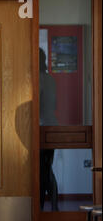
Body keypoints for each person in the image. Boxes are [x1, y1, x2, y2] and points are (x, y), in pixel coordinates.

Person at [39, 48, 59, 211]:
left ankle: (43, 210)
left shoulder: (37, 79)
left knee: (42, 171)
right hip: (52, 125)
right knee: (46, 168)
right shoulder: (50, 79)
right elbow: (55, 104)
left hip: (41, 127)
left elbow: (38, 105)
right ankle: (54, 207)